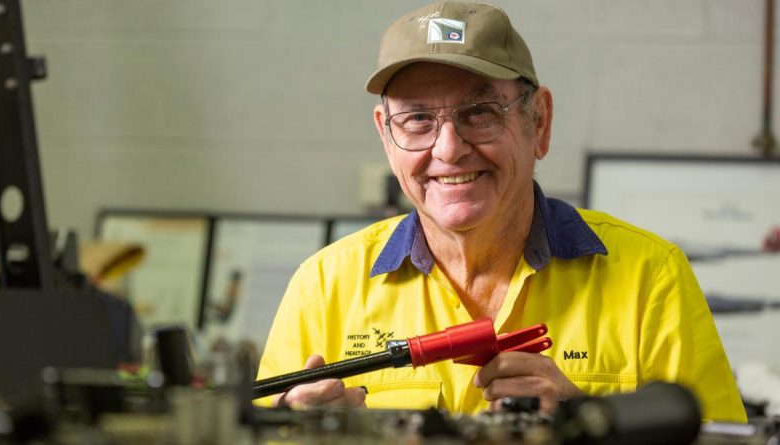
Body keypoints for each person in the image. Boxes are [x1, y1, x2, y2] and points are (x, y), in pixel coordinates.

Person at [256, 1, 747, 422]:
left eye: (480, 113)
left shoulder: (650, 277)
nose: (448, 149)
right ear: (386, 135)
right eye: (418, 119)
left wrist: (588, 423)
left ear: (540, 122)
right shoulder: (324, 287)